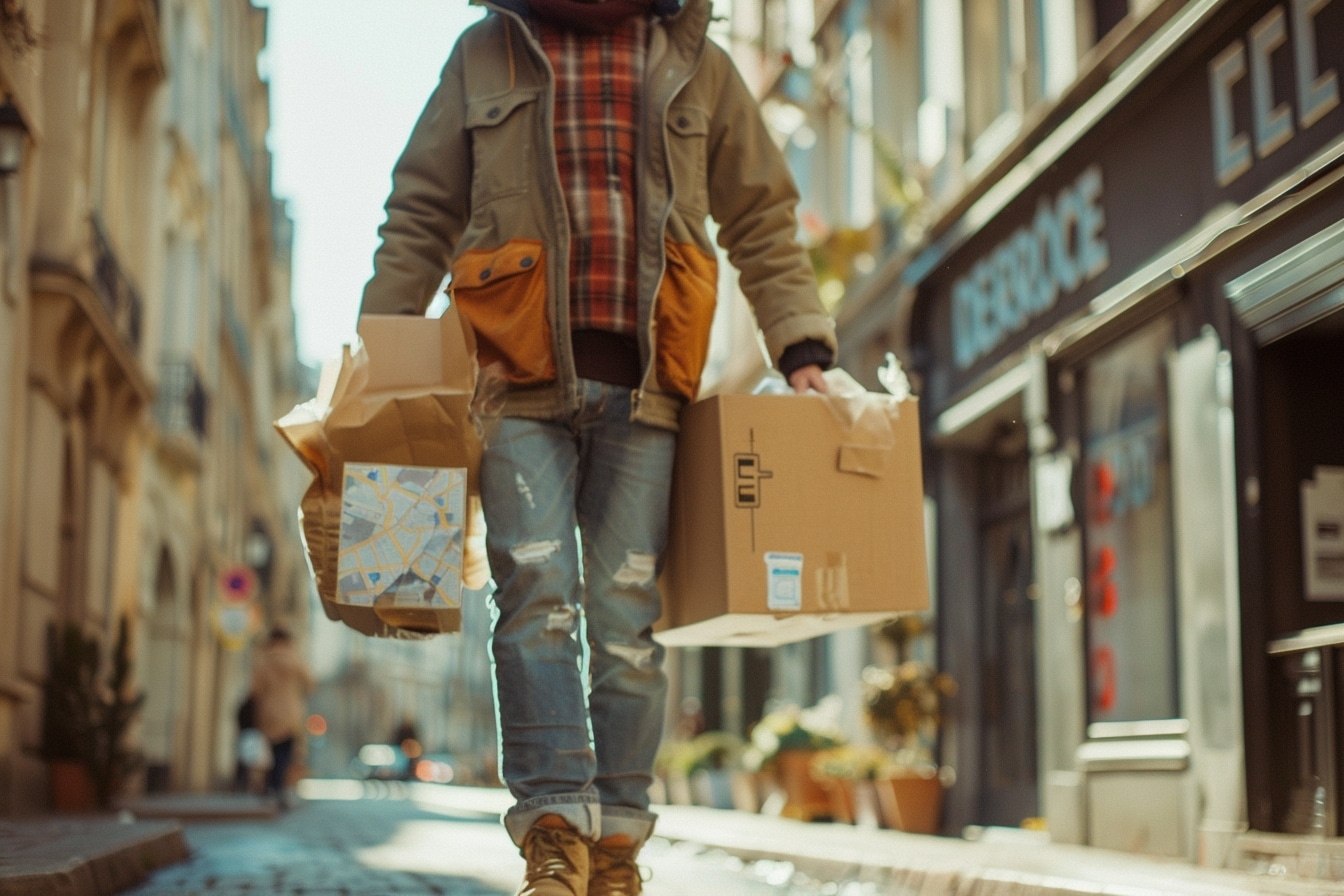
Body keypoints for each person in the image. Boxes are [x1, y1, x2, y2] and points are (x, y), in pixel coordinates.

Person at [359, 0, 835, 890]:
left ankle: (615, 843)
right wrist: (386, 353)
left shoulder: (696, 61)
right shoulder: (485, 52)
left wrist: (801, 346)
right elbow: (419, 211)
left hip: (652, 385)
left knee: (625, 626)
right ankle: (552, 833)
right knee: (535, 597)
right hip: (513, 378)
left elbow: (761, 212)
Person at [249, 626, 315, 807]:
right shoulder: (294, 659)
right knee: (285, 754)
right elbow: (310, 682)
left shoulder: (263, 660)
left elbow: (255, 690)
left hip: (268, 714)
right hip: (291, 714)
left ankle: (271, 787)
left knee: (270, 753)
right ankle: (280, 789)